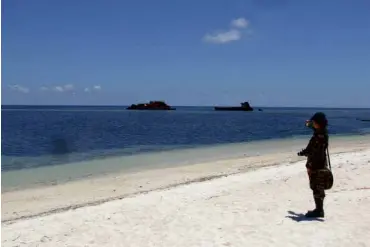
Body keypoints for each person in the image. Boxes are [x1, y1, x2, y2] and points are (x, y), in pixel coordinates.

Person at [297, 112, 329, 218]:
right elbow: (312, 127)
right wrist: (309, 123)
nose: (312, 124)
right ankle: (319, 209)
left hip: (316, 164)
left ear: (318, 123)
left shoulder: (319, 136)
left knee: (316, 186)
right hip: (320, 162)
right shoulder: (322, 131)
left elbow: (313, 150)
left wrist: (303, 153)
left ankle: (319, 210)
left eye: (314, 122)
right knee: (318, 186)